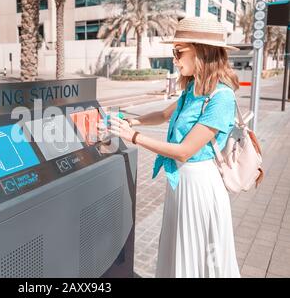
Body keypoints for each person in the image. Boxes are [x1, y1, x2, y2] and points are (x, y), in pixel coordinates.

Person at [99, 17, 241, 278]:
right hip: (180, 183)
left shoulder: (222, 97)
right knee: (178, 250)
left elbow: (185, 151)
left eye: (178, 51)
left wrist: (134, 136)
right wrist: (133, 120)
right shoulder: (193, 89)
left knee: (199, 256)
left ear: (202, 51)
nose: (174, 59)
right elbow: (164, 115)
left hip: (200, 186)